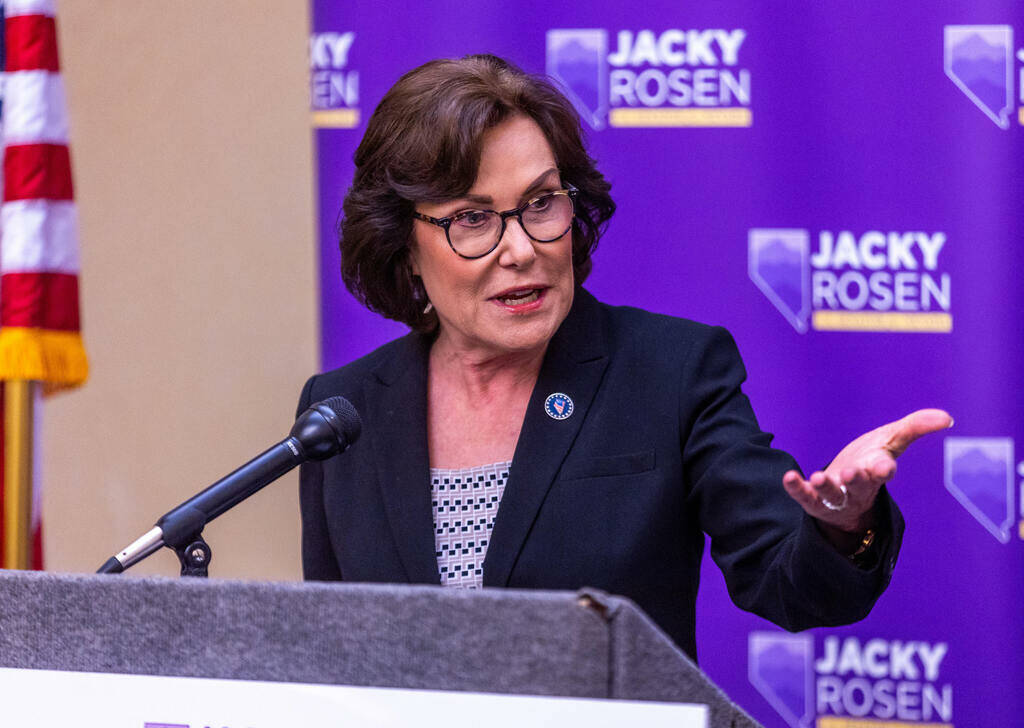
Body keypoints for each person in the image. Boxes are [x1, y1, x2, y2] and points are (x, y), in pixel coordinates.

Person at [297, 54, 951, 660]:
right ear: (403, 246)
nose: (521, 247)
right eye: (473, 218)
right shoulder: (342, 412)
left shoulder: (671, 372)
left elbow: (789, 583)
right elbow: (328, 653)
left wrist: (840, 526)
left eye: (540, 203)